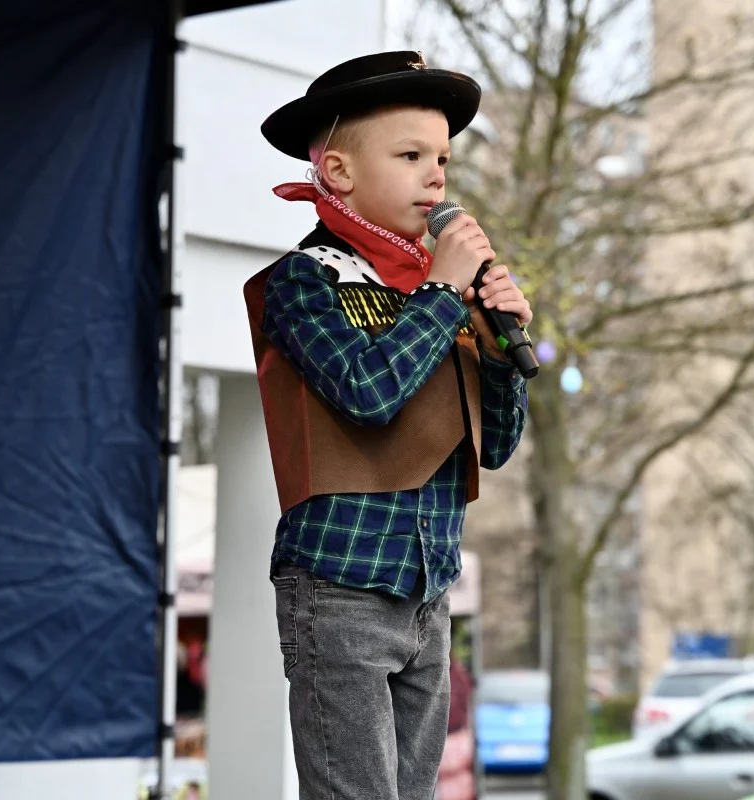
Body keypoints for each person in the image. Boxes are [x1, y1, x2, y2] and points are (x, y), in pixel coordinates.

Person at [243, 50, 531, 800]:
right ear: (338, 172)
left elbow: (494, 446)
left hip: (428, 590)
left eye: (442, 158)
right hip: (340, 587)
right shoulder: (306, 279)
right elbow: (367, 394)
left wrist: (497, 352)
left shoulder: (438, 290)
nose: (436, 177)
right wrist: (443, 292)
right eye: (410, 157)